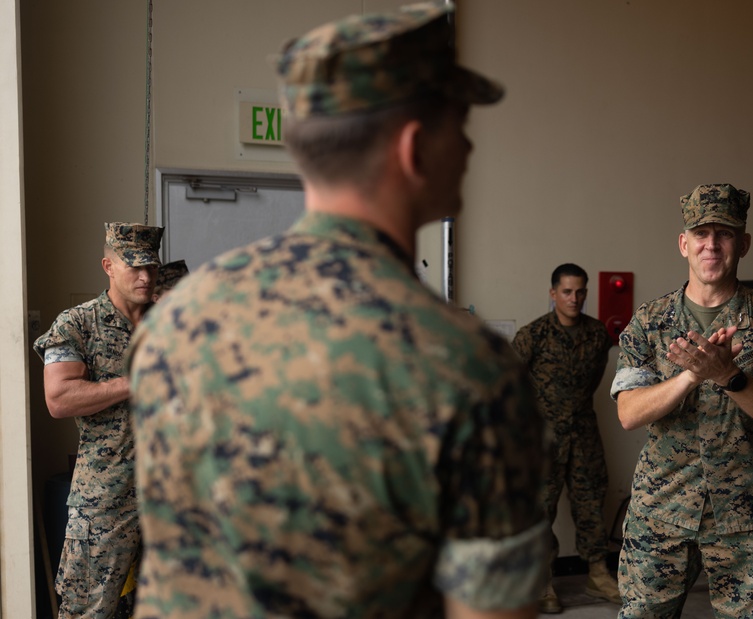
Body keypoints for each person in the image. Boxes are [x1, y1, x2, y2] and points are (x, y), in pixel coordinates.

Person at [126, 4, 548, 619]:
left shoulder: (176, 317)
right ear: (414, 147)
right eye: (459, 124)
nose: (469, 144)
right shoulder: (462, 366)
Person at [611, 183, 753, 618]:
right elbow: (629, 413)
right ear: (684, 244)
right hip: (662, 509)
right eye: (701, 234)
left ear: (744, 244)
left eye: (725, 234)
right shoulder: (650, 319)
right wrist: (691, 376)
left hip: (748, 515)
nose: (712, 245)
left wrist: (728, 376)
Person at [33, 221, 163, 619]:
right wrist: (134, 381)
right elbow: (59, 398)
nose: (145, 277)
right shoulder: (77, 324)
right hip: (105, 501)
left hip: (171, 498)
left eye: (151, 267)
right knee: (90, 612)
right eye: (133, 267)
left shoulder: (172, 324)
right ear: (108, 265)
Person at [511, 263, 619, 613]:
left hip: (584, 433)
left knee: (591, 503)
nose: (575, 298)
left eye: (581, 291)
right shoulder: (534, 335)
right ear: (553, 293)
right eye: (568, 292)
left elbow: (593, 382)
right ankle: (542, 582)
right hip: (543, 437)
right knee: (541, 509)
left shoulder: (597, 334)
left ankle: (598, 573)